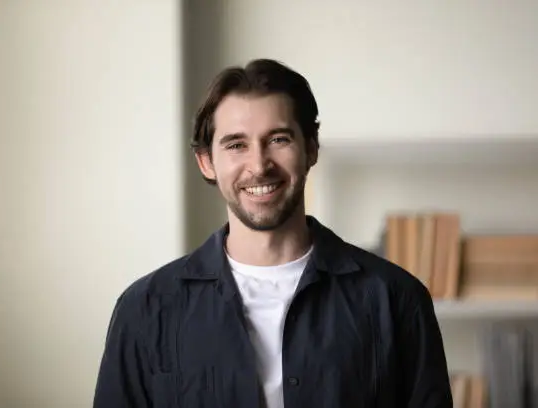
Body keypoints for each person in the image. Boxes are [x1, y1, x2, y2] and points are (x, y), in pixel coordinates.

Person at [93, 59, 453, 408]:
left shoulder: (397, 300)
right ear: (206, 162)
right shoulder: (145, 308)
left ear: (311, 148)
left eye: (278, 139)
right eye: (236, 145)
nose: (259, 165)